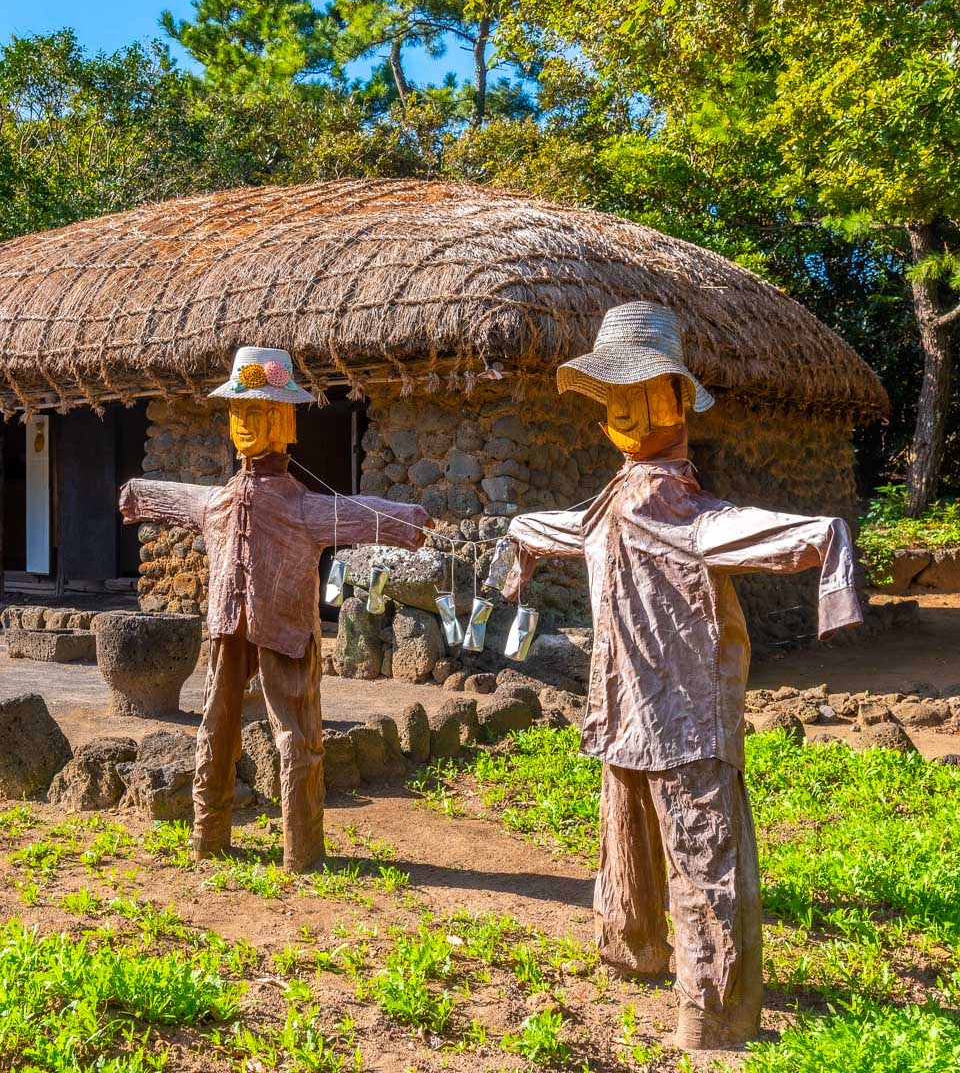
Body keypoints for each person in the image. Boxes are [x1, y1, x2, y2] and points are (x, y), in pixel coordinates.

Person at [503, 302, 862, 1050]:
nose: (629, 411)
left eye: (644, 393)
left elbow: (780, 532)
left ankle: (714, 1013)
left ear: (677, 401)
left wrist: (832, 560)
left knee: (704, 858)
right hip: (620, 706)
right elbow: (558, 526)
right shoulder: (608, 507)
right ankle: (630, 947)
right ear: (602, 415)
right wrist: (518, 548)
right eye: (614, 398)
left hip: (686, 715)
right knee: (625, 840)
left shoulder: (694, 515)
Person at [120, 346, 429, 872]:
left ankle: (301, 851)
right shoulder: (218, 502)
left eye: (259, 413)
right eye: (239, 413)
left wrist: (407, 521)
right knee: (216, 726)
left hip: (284, 631)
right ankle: (208, 835)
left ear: (285, 423)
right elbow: (174, 498)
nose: (245, 424)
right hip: (225, 628)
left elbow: (354, 514)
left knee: (296, 738)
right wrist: (135, 495)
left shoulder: (301, 508)